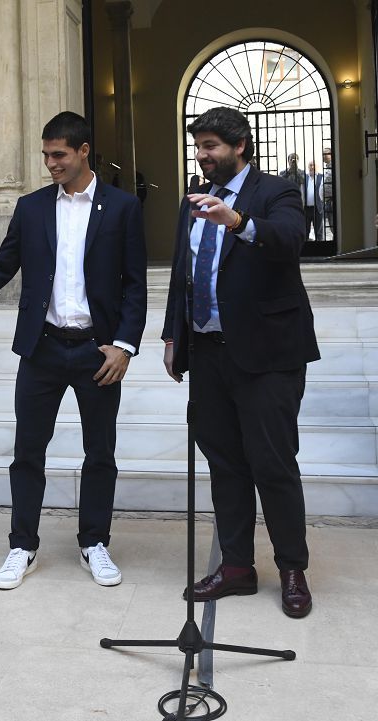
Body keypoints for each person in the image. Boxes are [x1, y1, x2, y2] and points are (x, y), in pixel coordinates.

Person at [0, 111, 147, 590]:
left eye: (58, 154)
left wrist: (123, 346)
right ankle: (23, 545)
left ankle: (94, 543)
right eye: (45, 155)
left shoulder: (122, 208)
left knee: (100, 451)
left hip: (97, 352)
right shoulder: (33, 207)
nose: (50, 163)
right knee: (27, 452)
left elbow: (135, 286)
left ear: (84, 151)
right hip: (41, 348)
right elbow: (1, 266)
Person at [162, 107, 319, 618]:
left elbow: (289, 240)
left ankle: (292, 569)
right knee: (225, 464)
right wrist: (173, 335)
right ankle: (236, 568)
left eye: (212, 147)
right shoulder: (191, 201)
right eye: (200, 147)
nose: (203, 156)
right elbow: (183, 273)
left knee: (273, 463)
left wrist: (239, 222)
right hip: (209, 354)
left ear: (240, 146)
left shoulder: (276, 193)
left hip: (268, 354)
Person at [304, 161, 322, 241]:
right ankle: (306, 249)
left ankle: (320, 249)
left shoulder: (321, 177)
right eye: (310, 165)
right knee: (305, 231)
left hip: (317, 208)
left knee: (318, 231)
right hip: (306, 209)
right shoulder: (304, 177)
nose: (312, 167)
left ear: (317, 167)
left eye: (313, 165)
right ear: (308, 167)